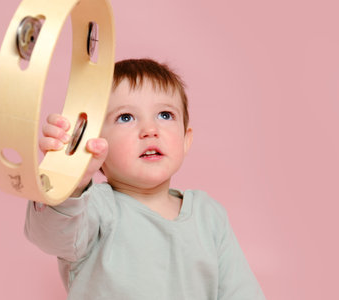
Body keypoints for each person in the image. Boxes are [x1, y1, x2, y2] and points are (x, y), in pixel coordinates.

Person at [24, 58, 266, 299]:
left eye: (165, 115)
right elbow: (51, 235)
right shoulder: (93, 210)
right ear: (95, 143)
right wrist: (70, 179)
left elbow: (241, 292)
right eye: (126, 117)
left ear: (185, 139)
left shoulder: (209, 217)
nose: (150, 129)